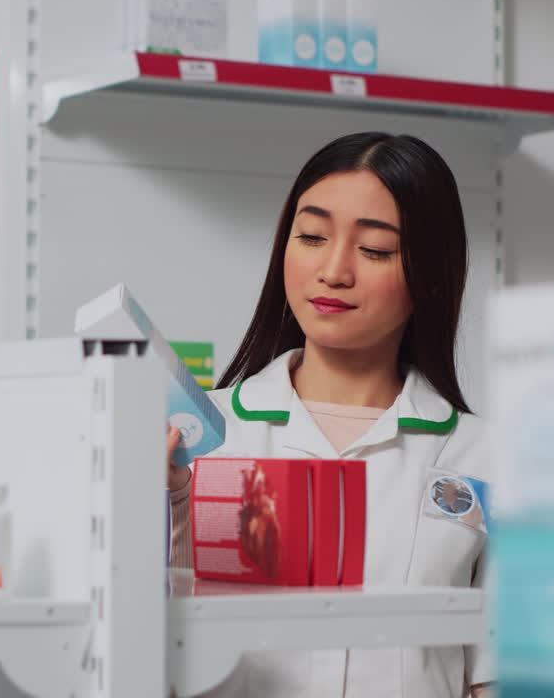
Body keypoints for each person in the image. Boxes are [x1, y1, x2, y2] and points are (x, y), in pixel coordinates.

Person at [166, 132, 495, 698]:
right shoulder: (200, 441)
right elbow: (139, 646)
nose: (334, 271)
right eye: (312, 237)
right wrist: (166, 503)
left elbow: (496, 676)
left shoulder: (485, 457)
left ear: (430, 274)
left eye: (375, 250)